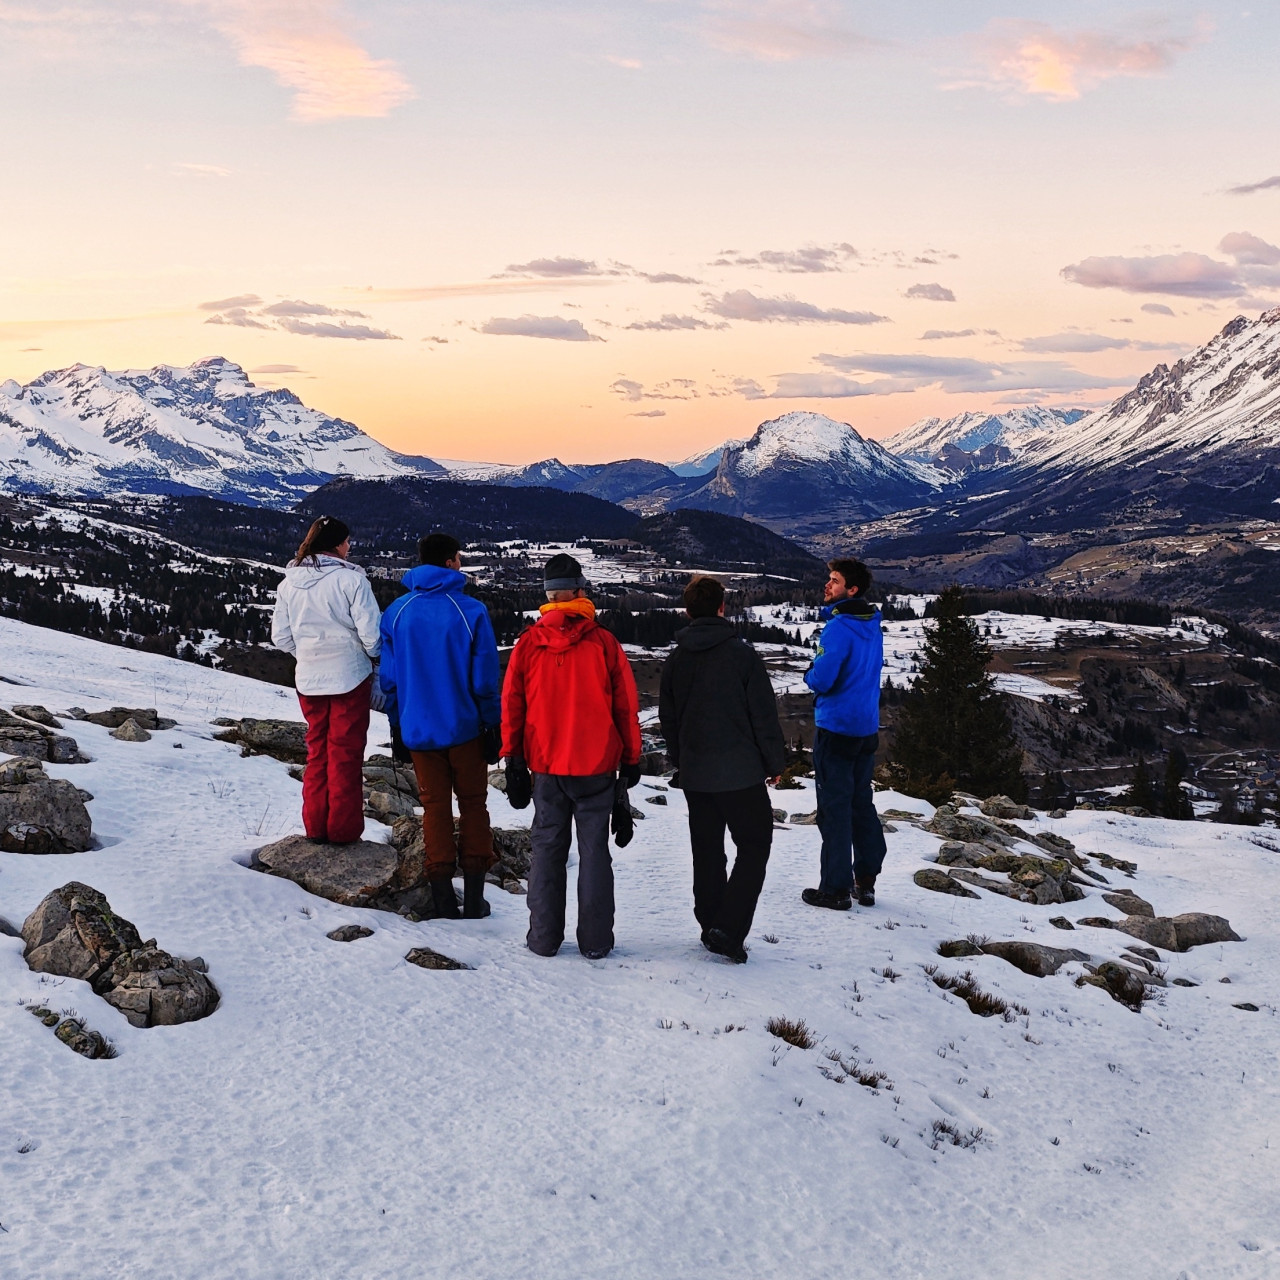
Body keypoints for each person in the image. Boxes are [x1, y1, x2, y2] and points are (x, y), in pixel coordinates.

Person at [501, 553, 642, 959]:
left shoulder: (529, 643)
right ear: (580, 592)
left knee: (546, 850)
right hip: (596, 766)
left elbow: (512, 704)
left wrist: (512, 757)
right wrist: (631, 758)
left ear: (548, 596)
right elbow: (624, 707)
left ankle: (543, 940)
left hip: (545, 766)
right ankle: (596, 942)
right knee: (595, 852)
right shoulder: (603, 642)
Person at [659, 575, 786, 963]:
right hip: (741, 773)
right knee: (754, 844)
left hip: (697, 773)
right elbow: (762, 715)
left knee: (708, 849)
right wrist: (773, 762)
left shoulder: (676, 659)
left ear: (687, 611)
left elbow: (669, 720)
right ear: (721, 608)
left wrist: (683, 761)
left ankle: (710, 921)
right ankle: (728, 928)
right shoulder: (743, 655)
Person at [379, 533, 502, 920]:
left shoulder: (397, 612)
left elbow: (391, 682)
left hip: (417, 730)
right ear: (450, 562)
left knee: (434, 809)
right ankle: (476, 896)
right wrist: (492, 724)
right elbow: (483, 679)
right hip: (465, 728)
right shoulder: (471, 611)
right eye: (459, 557)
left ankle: (443, 896)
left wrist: (397, 728)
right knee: (473, 805)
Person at [271, 516, 381, 845]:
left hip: (309, 679)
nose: (350, 547)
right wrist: (372, 657)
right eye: (347, 542)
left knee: (317, 753)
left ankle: (316, 827)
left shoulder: (288, 582)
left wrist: (307, 654)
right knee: (345, 754)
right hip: (350, 676)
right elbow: (371, 634)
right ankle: (343, 831)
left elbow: (280, 636)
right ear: (336, 544)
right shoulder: (352, 581)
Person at [802, 557, 886, 910]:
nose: (827, 585)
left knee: (834, 809)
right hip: (866, 727)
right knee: (860, 803)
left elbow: (823, 678)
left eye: (834, 581)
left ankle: (835, 888)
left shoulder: (838, 628)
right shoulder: (871, 625)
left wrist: (809, 674)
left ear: (851, 590)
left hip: (836, 728)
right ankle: (865, 879)